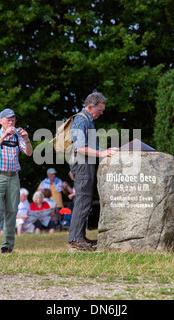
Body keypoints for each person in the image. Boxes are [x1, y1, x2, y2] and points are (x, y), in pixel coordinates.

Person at [68, 92, 117, 251]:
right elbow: (80, 148)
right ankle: (75, 238)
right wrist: (102, 154)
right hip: (82, 164)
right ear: (90, 107)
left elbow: (91, 147)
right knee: (82, 200)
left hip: (85, 163)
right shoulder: (81, 120)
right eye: (100, 110)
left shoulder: (87, 120)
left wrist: (105, 150)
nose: (101, 113)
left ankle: (80, 236)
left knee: (85, 201)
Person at [0, 108, 33, 254]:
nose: (11, 122)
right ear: (1, 121)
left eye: (13, 120)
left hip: (13, 177)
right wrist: (4, 136)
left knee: (12, 211)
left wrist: (26, 138)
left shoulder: (17, 136)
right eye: (8, 120)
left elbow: (29, 153)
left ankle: (7, 247)